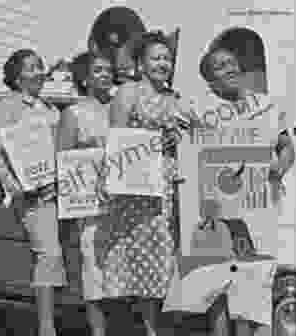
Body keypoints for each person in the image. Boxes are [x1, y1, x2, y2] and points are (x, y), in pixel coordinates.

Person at [108, 31, 201, 336]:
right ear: (141, 63)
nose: (163, 63)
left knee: (172, 259)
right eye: (156, 58)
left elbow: (199, 137)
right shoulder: (128, 92)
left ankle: (167, 326)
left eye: (167, 58)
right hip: (140, 189)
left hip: (175, 186)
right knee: (148, 260)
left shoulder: (177, 98)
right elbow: (117, 141)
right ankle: (151, 329)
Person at [197, 46, 295, 336]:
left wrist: (280, 167)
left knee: (254, 280)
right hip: (218, 209)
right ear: (210, 81)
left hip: (259, 206)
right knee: (217, 282)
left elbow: (287, 147)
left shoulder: (266, 106)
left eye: (231, 62)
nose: (229, 68)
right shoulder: (204, 113)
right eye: (219, 67)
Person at [0, 49, 67, 336]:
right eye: (31, 67)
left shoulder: (51, 109)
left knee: (58, 256)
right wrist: (20, 189)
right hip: (33, 195)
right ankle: (46, 328)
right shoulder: (8, 106)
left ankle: (55, 318)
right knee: (48, 254)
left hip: (61, 192)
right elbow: (1, 156)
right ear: (16, 75)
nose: (38, 72)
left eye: (40, 66)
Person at [57, 50, 115, 336]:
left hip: (124, 201)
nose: (106, 75)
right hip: (91, 205)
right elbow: (65, 162)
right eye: (99, 70)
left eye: (108, 69)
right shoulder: (73, 113)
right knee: (94, 270)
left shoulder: (120, 107)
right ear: (85, 78)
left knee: (121, 269)